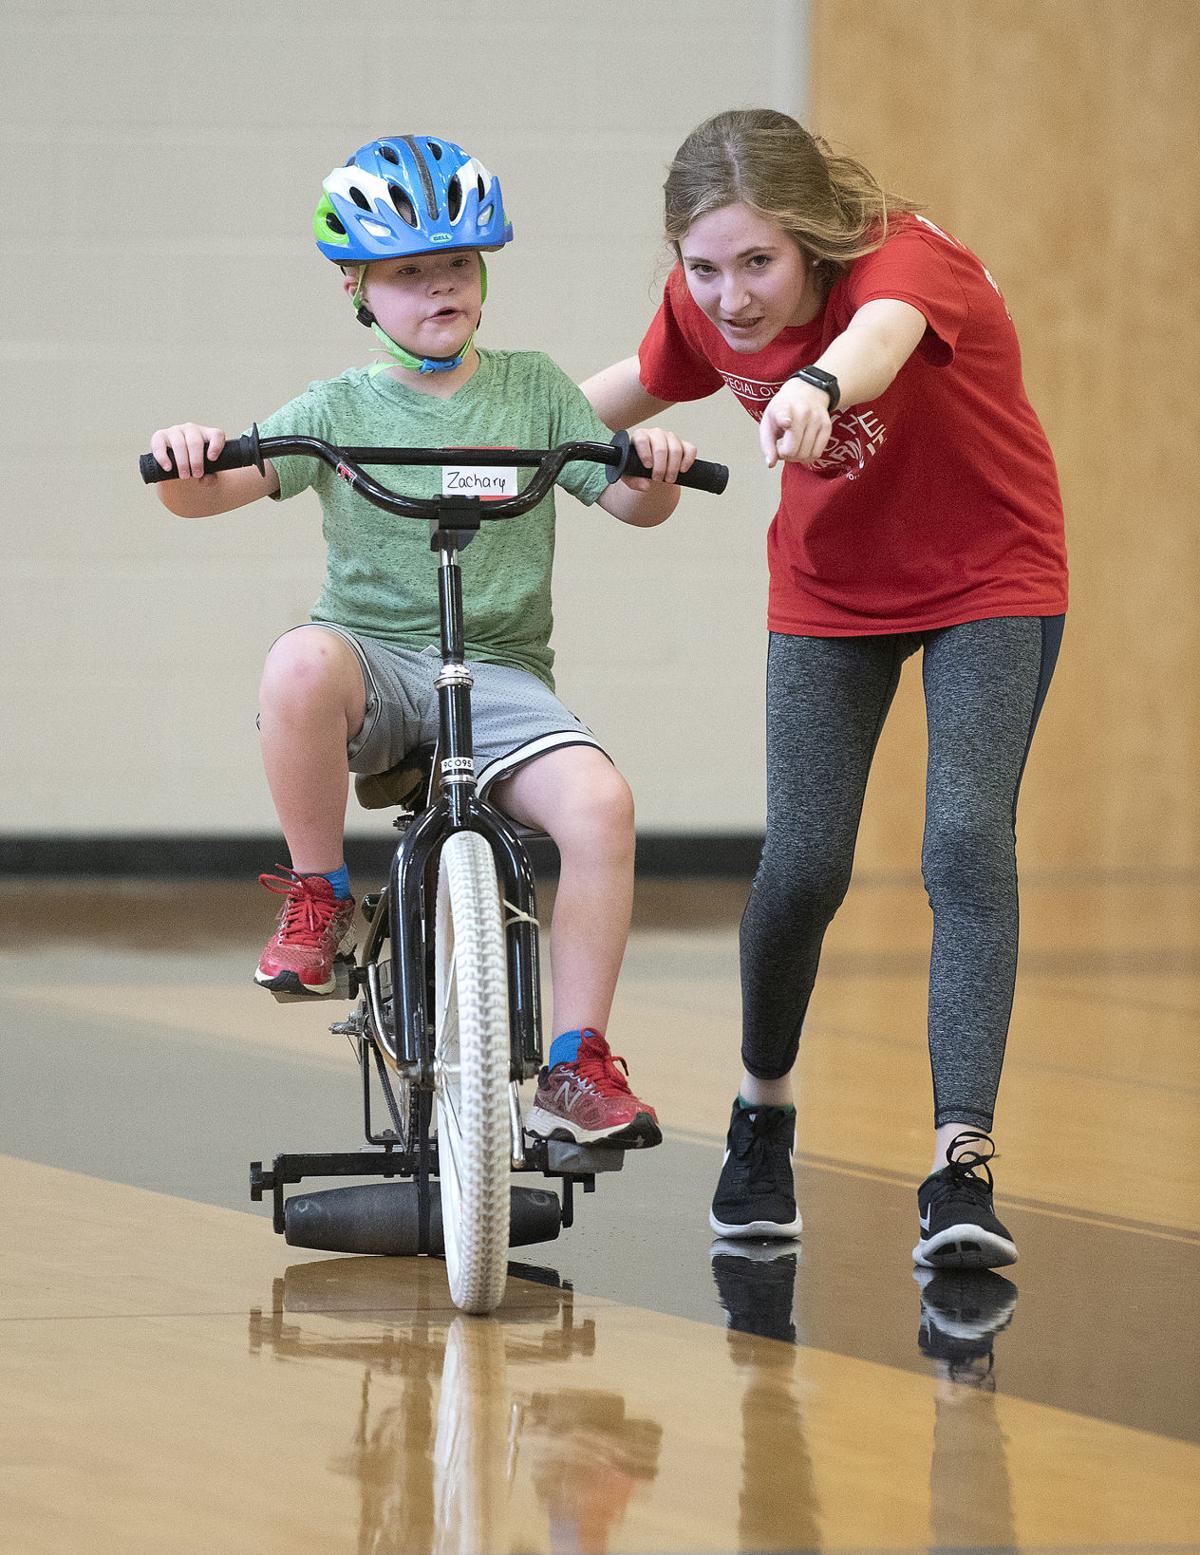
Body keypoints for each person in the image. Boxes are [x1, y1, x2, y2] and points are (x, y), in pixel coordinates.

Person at [582, 109, 1067, 1266]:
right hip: (829, 590)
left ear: (811, 241)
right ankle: (763, 1115)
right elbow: (603, 399)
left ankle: (961, 1170)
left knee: (963, 842)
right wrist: (469, 430)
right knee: (803, 865)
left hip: (987, 574)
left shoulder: (904, 265)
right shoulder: (702, 313)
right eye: (703, 268)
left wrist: (817, 386)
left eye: (758, 262)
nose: (732, 296)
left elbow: (883, 340)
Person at [149, 133, 698, 1150]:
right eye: (409, 272)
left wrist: (651, 468)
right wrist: (189, 457)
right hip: (379, 665)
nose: (439, 286)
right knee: (298, 660)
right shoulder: (336, 406)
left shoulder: (535, 390)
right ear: (357, 287)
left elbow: (626, 502)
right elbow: (208, 495)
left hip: (499, 676)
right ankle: (320, 896)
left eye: (457, 264)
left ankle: (577, 1063)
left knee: (601, 805)